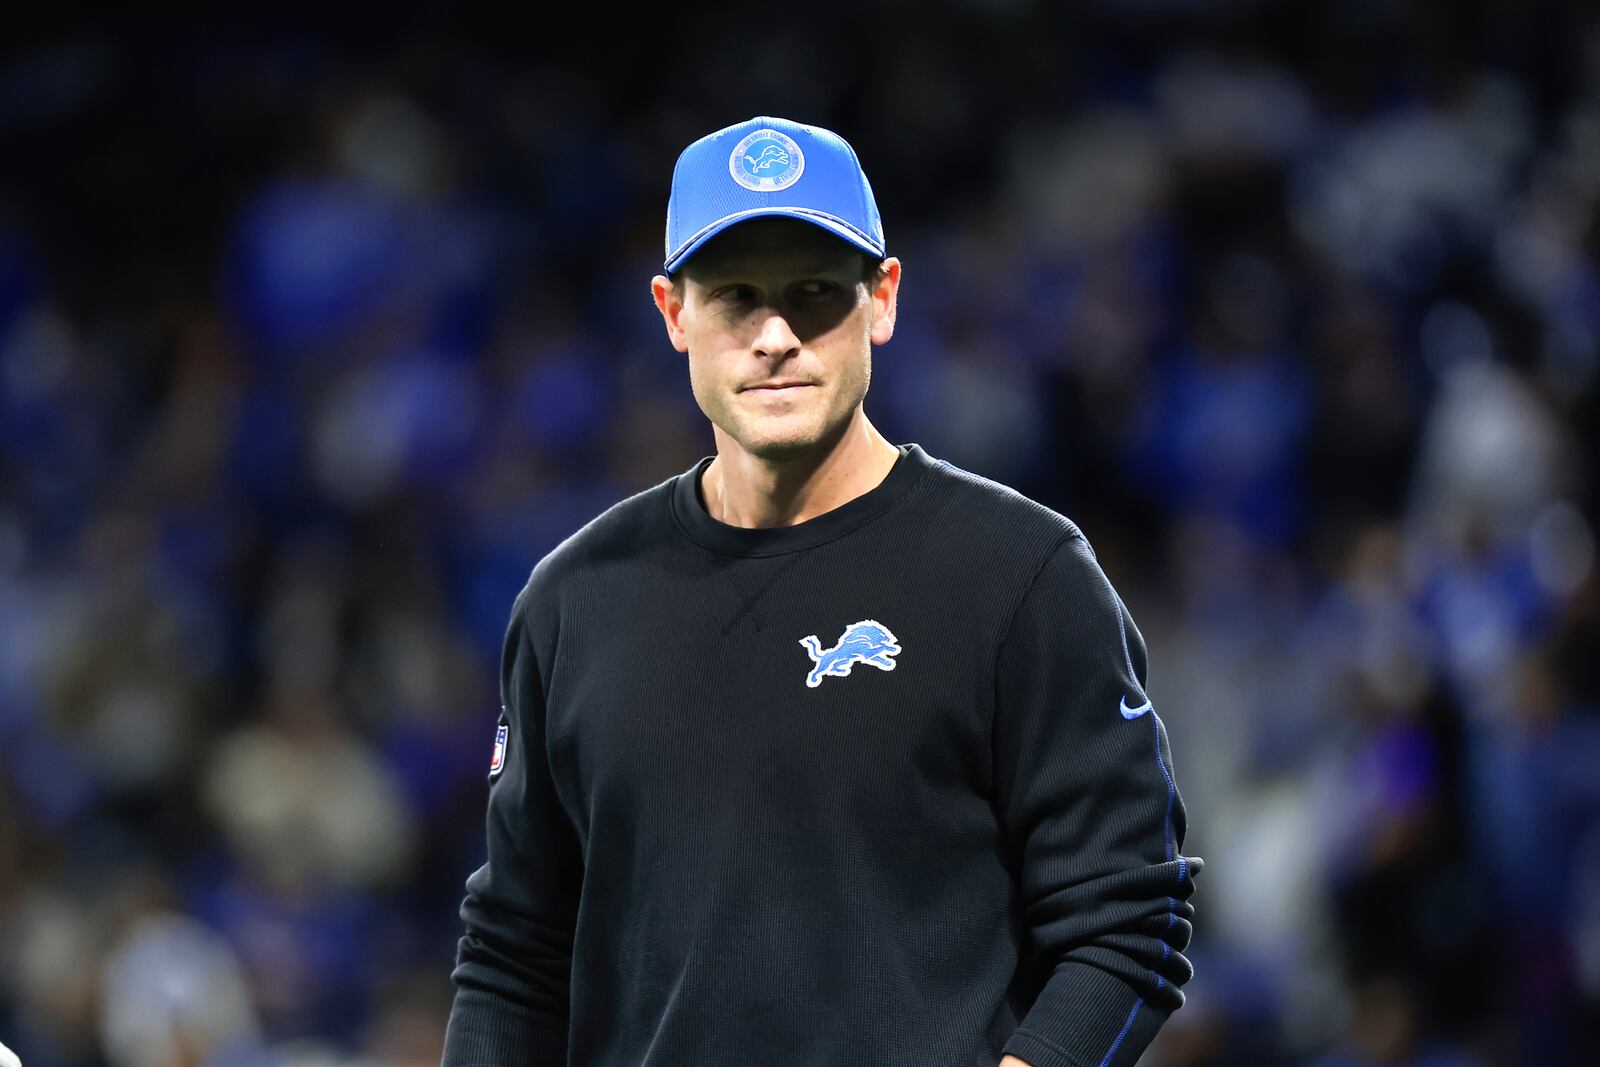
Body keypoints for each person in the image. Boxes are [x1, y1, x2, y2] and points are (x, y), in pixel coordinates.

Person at [440, 114, 1201, 1067]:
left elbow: (1128, 920)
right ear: (674, 314)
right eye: (735, 297)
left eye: (813, 294)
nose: (774, 336)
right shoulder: (572, 602)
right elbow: (516, 954)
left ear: (882, 299)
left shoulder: (1019, 575)